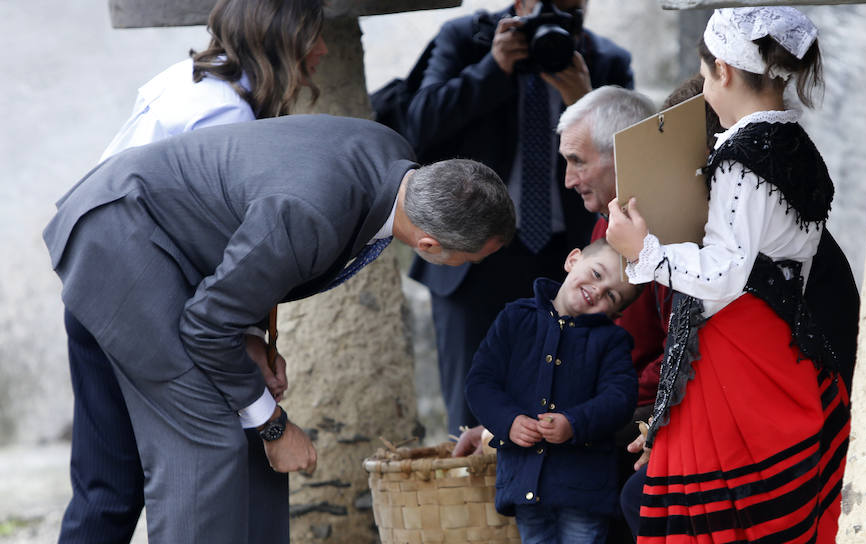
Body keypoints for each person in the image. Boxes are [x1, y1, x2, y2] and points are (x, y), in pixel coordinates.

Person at [44, 114, 516, 543]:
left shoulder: (392, 158)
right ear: (430, 243)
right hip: (122, 241)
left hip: (147, 239)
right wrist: (274, 426)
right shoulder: (312, 213)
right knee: (208, 440)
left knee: (241, 431)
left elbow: (247, 234)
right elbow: (206, 326)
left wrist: (248, 337)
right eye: (471, 260)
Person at [58, 2, 328, 542]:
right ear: (284, 38)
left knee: (105, 486)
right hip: (143, 308)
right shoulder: (226, 116)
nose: (322, 50)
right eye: (315, 37)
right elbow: (223, 261)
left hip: (93, 293)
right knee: (211, 458)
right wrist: (247, 347)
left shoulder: (185, 79)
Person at [606, 7, 851, 542]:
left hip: (738, 356)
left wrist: (641, 249)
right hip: (774, 342)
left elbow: (723, 274)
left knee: (724, 520)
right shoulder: (794, 143)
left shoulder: (743, 158)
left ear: (723, 70)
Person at [405, 0, 635, 435]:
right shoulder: (466, 40)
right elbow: (417, 125)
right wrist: (491, 69)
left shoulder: (605, 60)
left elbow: (630, 161)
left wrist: (584, 101)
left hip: (567, 259)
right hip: (470, 258)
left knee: (559, 404)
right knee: (471, 411)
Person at [465, 239, 641, 544]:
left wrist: (574, 423)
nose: (597, 291)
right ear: (573, 260)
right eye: (597, 274)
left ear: (616, 312)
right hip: (523, 481)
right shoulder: (515, 318)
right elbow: (480, 383)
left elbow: (619, 400)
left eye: (611, 295)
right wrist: (508, 422)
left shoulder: (611, 342)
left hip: (584, 488)